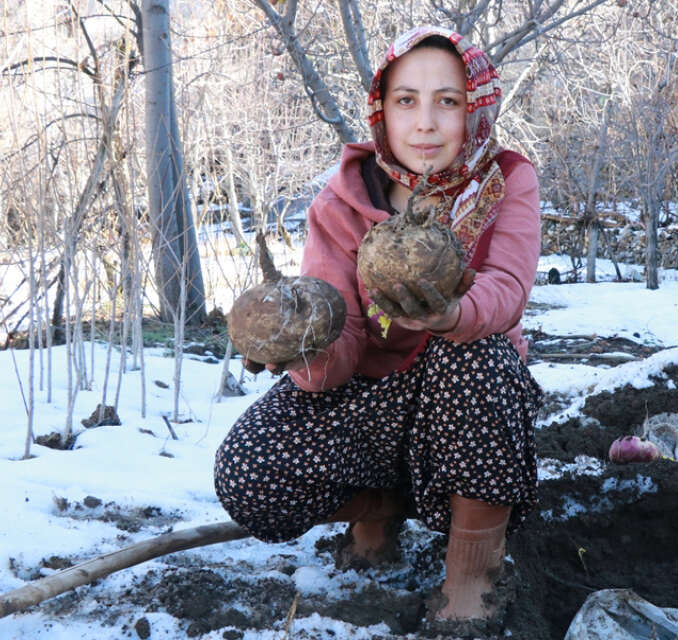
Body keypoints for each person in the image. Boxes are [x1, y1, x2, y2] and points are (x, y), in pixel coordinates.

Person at [213, 25, 543, 636]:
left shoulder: (506, 182)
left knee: (476, 352)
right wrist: (300, 347)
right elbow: (340, 336)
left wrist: (452, 316)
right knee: (248, 470)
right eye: (406, 100)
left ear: (474, 108)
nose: (426, 122)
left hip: (468, 405)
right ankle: (383, 508)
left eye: (448, 101)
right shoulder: (340, 203)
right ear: (381, 111)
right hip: (372, 398)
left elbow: (507, 289)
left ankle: (473, 572)